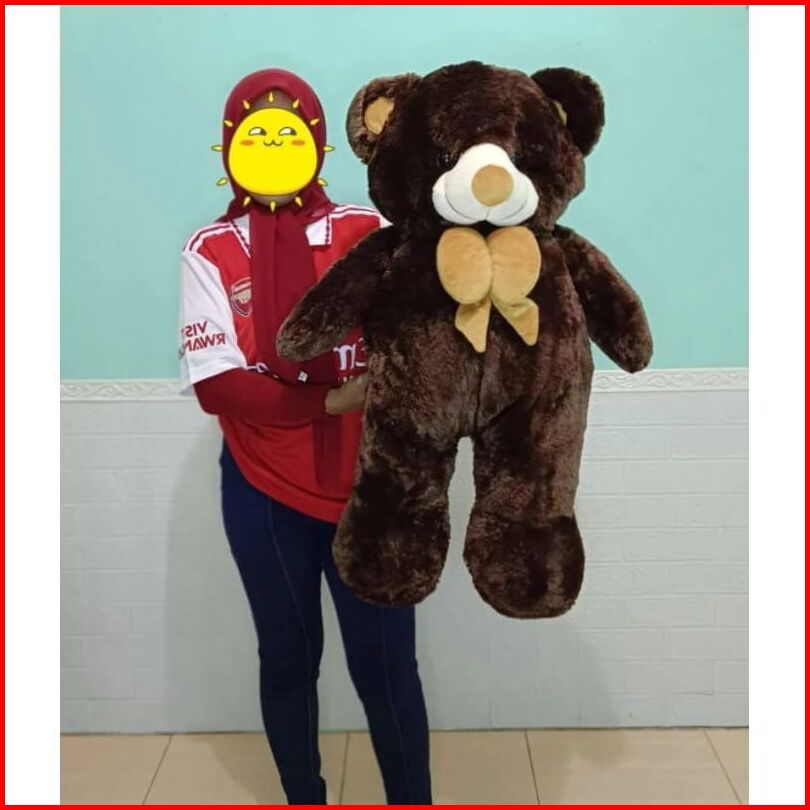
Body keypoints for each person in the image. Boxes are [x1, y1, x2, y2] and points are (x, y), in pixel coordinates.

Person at [178, 68, 432, 805]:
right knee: (289, 658)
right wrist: (332, 400)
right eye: (254, 133)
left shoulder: (368, 232)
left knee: (387, 667)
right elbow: (219, 387)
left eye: (287, 132)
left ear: (317, 143)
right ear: (228, 145)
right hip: (263, 492)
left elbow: (424, 334)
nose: (271, 147)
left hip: (371, 491)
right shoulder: (212, 249)